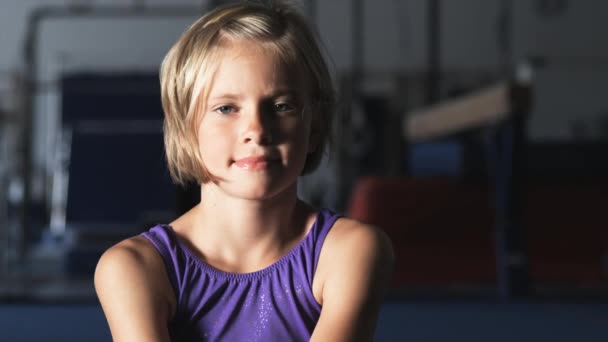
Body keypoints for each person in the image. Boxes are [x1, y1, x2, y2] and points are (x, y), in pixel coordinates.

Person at [94, 1, 394, 341]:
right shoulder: (136, 268)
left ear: (314, 125)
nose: (257, 129)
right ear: (185, 128)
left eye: (281, 106)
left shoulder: (348, 252)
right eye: (226, 108)